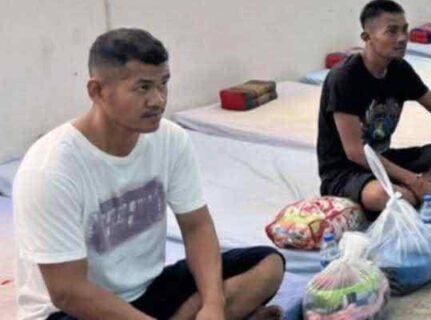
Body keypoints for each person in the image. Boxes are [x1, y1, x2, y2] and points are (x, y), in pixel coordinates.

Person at [14, 28, 284, 320]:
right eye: (142, 88)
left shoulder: (170, 139)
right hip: (72, 310)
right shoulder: (51, 170)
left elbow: (196, 227)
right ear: (97, 91)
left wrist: (213, 305)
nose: (158, 100)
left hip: (147, 291)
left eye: (163, 84)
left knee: (267, 266)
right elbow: (68, 291)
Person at [318, 0, 431, 212]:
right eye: (391, 32)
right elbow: (355, 152)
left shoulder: (399, 69)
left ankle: (416, 191)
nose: (402, 38)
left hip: (383, 157)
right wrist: (412, 179)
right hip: (346, 171)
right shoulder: (345, 77)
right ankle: (422, 190)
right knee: (381, 196)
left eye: (404, 30)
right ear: (367, 38)